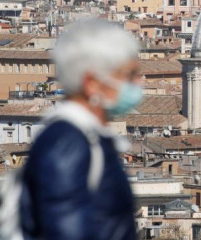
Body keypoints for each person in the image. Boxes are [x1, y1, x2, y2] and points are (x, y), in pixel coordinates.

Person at [20, 19, 142, 240]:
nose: (138, 82)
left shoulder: (85, 138)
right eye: (128, 75)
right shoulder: (67, 144)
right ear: (92, 82)